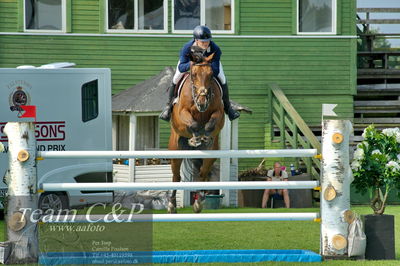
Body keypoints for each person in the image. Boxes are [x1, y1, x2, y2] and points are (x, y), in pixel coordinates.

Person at [159, 25, 240, 122]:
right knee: (175, 78)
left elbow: (216, 70)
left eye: (207, 41)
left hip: (208, 66)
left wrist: (205, 68)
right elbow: (181, 67)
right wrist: (192, 64)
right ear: (196, 40)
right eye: (203, 42)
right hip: (190, 64)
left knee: (222, 79)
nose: (206, 44)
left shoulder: (215, 49)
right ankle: (168, 107)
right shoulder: (187, 48)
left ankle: (228, 108)